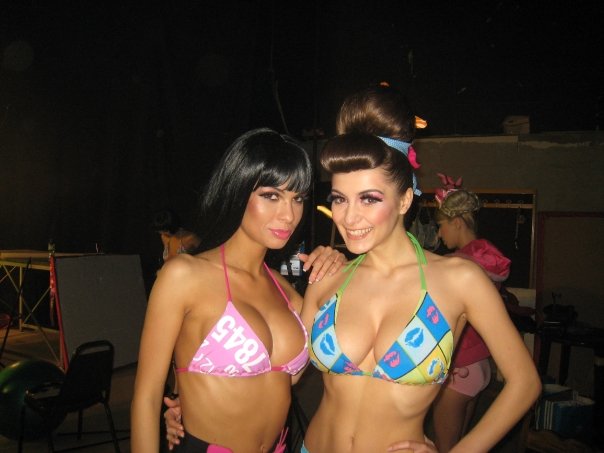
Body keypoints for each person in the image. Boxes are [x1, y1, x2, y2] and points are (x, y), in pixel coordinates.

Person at [300, 133, 540, 452]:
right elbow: (282, 370)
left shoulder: (460, 279)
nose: (348, 217)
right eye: (340, 199)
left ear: (404, 201)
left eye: (368, 199)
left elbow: (525, 383)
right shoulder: (327, 279)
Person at [131, 128, 344, 453]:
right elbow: (146, 396)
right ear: (238, 190)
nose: (289, 215)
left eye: (297, 198)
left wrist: (332, 268)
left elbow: (296, 376)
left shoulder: (287, 292)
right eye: (271, 196)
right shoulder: (184, 276)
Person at [431, 179, 512, 452]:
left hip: (461, 365)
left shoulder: (460, 266)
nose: (439, 234)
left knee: (446, 447)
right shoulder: (486, 259)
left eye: (441, 226)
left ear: (456, 223)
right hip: (480, 364)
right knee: (463, 445)